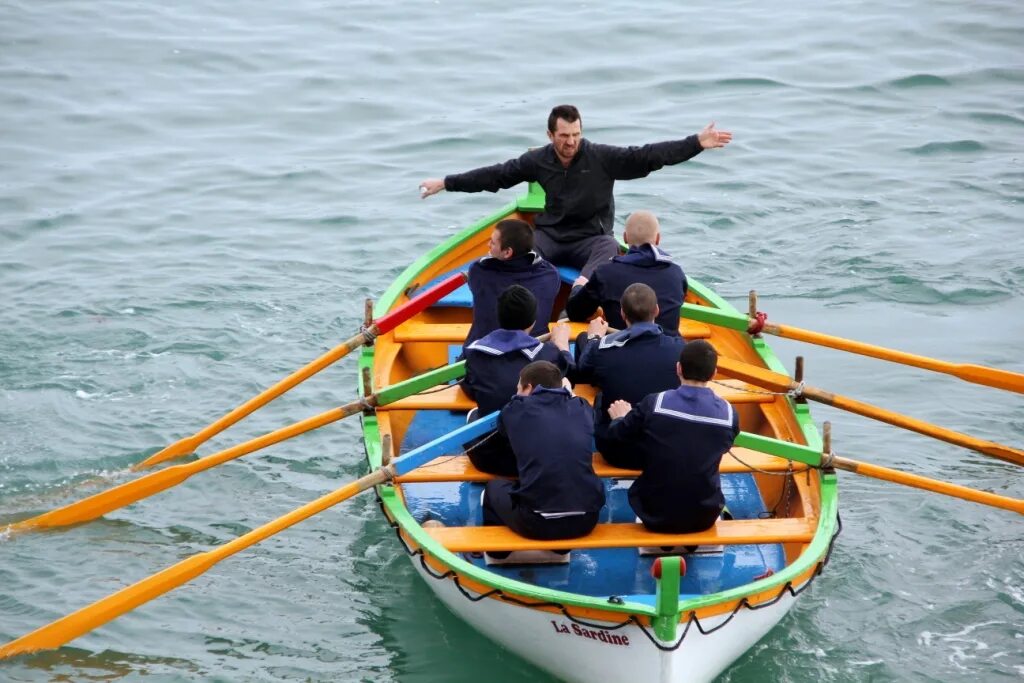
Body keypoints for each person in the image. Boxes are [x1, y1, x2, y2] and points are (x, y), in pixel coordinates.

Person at [420, 105, 732, 279]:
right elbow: (496, 176)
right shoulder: (537, 160)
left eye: (576, 135)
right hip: (550, 236)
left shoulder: (601, 157)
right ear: (550, 135)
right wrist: (446, 182)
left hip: (591, 239)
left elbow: (646, 156)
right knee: (522, 257)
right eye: (564, 136)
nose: (571, 142)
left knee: (610, 249)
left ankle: (581, 296)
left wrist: (695, 143)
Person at [605, 340, 740, 534]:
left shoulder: (654, 403)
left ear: (678, 368)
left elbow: (618, 435)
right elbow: (725, 443)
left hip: (654, 513)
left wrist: (619, 418)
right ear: (713, 374)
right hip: (704, 516)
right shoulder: (730, 414)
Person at [481, 360, 605, 542]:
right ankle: (559, 549)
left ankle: (499, 553)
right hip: (587, 520)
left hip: (536, 523)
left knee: (493, 488)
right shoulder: (582, 407)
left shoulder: (515, 410)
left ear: (528, 387)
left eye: (519, 388)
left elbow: (503, 429)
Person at [463, 285, 573, 476]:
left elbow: (470, 388)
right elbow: (572, 372)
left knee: (474, 414)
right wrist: (562, 346)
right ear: (533, 321)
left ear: (499, 316)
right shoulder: (549, 354)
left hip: (492, 459)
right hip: (542, 456)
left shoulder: (474, 354)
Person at [572, 283, 684, 467]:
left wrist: (593, 338)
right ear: (656, 310)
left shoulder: (602, 349)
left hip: (618, 452)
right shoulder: (679, 348)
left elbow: (582, 372)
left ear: (622, 314)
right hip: (663, 448)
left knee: (599, 394)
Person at [565, 210, 687, 335]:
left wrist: (578, 287)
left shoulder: (605, 273)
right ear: (658, 239)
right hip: (669, 351)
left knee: (582, 338)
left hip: (620, 349)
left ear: (625, 238)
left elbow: (575, 313)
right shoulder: (676, 274)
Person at [464, 218, 560, 347]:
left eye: (492, 243)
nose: (488, 245)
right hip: (534, 352)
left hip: (482, 351)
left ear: (507, 252)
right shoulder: (550, 274)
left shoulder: (479, 271)